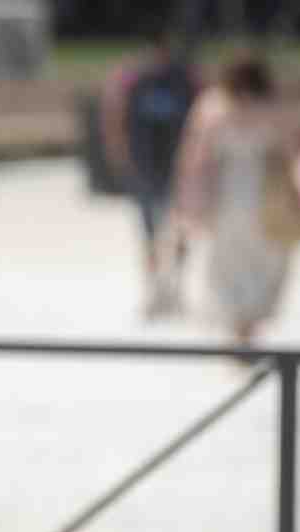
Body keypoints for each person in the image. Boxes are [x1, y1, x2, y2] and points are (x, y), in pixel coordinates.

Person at [173, 53, 300, 346]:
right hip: (266, 193)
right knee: (266, 260)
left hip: (227, 194)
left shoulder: (213, 106)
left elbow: (195, 159)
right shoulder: (274, 107)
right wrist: (296, 194)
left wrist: (188, 202)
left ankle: (239, 326)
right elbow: (293, 154)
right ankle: (249, 324)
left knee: (229, 263)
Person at [100, 18, 198, 320]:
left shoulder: (184, 77)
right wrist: (119, 153)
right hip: (146, 164)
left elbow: (201, 116)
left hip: (177, 164)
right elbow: (114, 112)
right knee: (149, 232)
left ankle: (176, 287)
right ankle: (156, 289)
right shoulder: (132, 78)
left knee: (180, 229)